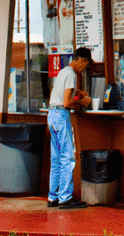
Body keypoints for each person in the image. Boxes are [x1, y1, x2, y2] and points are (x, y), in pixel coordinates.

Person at [47, 46, 92, 209]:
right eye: (86, 65)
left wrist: (78, 92)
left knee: (56, 158)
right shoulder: (72, 74)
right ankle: (65, 197)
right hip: (61, 115)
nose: (84, 68)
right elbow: (66, 102)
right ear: (82, 60)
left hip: (52, 115)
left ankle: (53, 196)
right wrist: (83, 102)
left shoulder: (63, 72)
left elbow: (61, 94)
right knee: (67, 157)